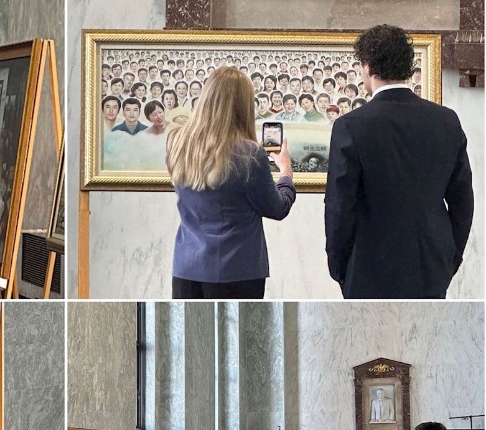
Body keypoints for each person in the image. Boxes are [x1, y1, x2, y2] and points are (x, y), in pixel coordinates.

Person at [325, 25, 473, 298]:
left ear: (367, 66)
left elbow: (339, 206)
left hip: (367, 266)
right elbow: (463, 200)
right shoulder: (446, 121)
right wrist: (451, 256)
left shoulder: (351, 126)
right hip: (430, 263)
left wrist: (339, 266)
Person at [167, 67, 295, 299]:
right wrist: (286, 173)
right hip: (237, 270)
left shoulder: (178, 143)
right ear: (244, 106)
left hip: (186, 267)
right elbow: (277, 208)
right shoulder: (249, 153)